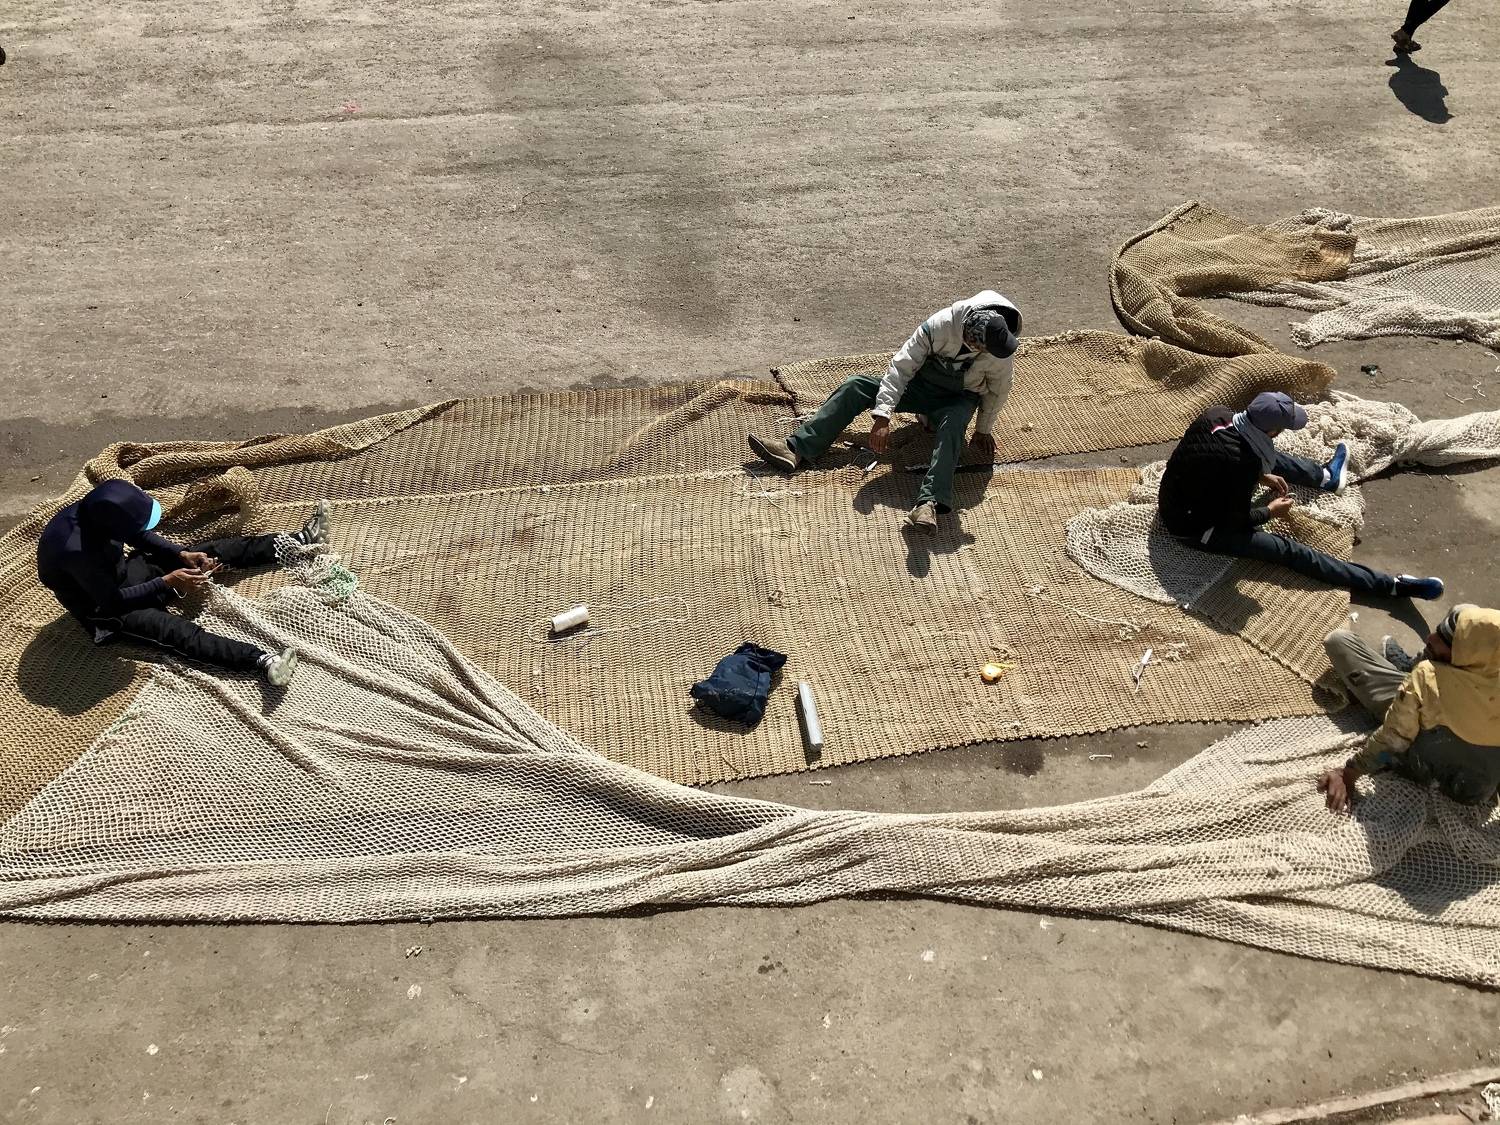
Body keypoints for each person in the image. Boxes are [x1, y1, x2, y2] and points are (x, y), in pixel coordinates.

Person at [747, 291, 1021, 535]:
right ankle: (797, 448)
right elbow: (901, 368)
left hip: (959, 397)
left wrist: (983, 429)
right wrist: (882, 416)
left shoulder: (1000, 348)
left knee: (952, 426)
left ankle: (928, 503)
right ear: (970, 338)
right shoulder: (940, 325)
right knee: (856, 386)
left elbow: (998, 390)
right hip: (921, 387)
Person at [1156, 390, 1444, 600]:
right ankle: (1390, 586)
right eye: (1282, 428)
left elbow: (1212, 459)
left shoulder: (1217, 415)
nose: (1281, 433)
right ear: (1272, 429)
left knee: (1271, 458)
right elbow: (1235, 520)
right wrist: (1270, 511)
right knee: (1289, 551)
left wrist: (1259, 474)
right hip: (1194, 527)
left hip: (1183, 491)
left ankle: (1327, 477)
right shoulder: (1242, 463)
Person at [37, 480, 331, 685]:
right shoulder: (74, 551)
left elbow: (138, 535)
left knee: (207, 552)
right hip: (106, 609)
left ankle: (299, 541)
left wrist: (179, 554)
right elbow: (112, 601)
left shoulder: (96, 511)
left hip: (124, 573)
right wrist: (167, 582)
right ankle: (262, 661)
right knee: (178, 632)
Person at [1319, 605, 1500, 811]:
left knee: (1338, 641)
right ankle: (1411, 666)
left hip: (1418, 765)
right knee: (1465, 612)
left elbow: (1393, 741)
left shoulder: (1427, 679)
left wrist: (1349, 773)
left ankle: (1408, 668)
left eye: (1446, 640)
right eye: (1439, 631)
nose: (1430, 638)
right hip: (1472, 792)